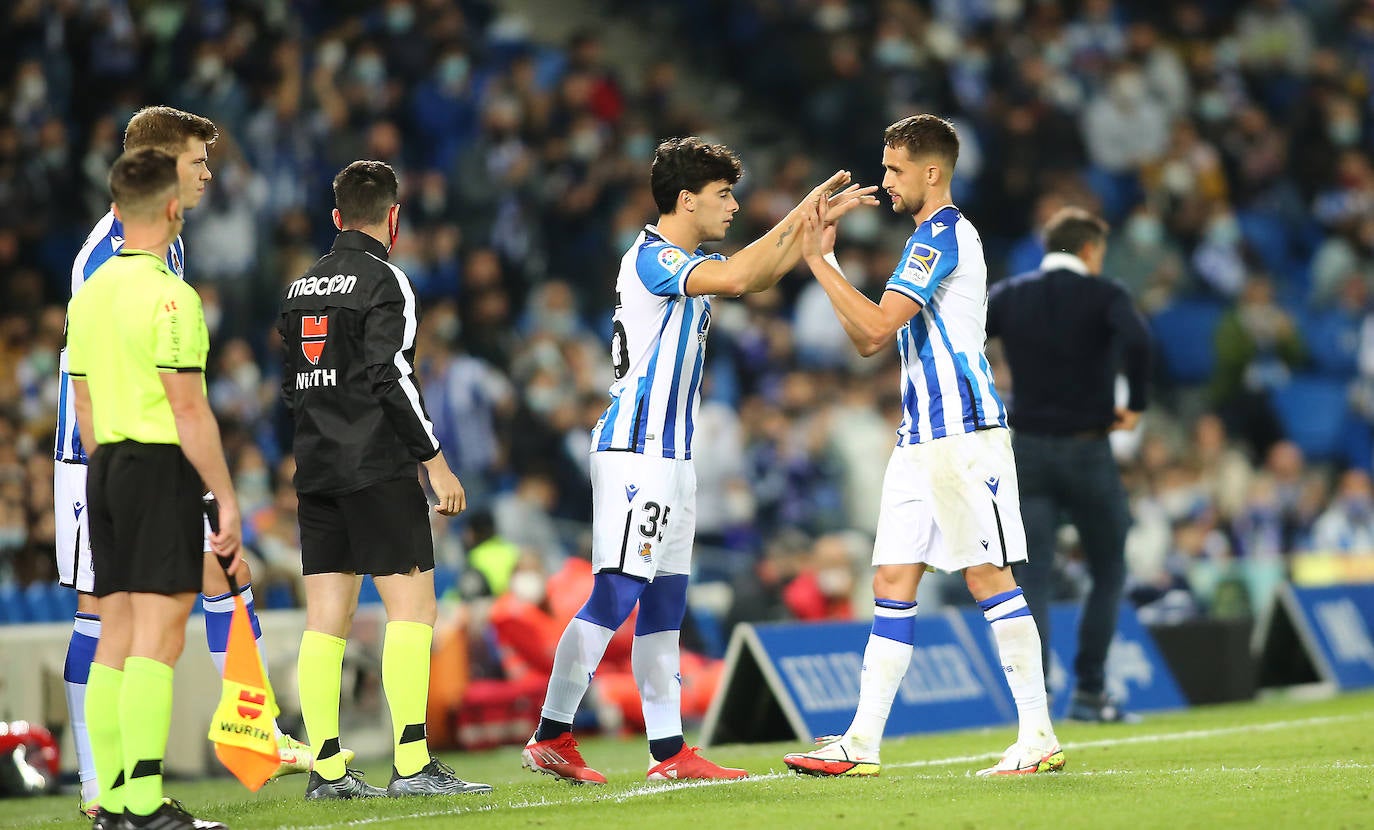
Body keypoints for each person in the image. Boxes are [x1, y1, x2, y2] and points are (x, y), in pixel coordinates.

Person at [521, 137, 875, 784]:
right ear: (686, 199)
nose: (734, 206)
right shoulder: (654, 258)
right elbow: (743, 275)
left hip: (671, 457)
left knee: (665, 605)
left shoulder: (691, 259)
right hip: (637, 452)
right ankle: (551, 732)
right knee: (619, 590)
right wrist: (801, 210)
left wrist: (813, 228)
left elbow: (758, 274)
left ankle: (668, 754)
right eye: (723, 195)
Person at [781, 114, 1064, 778]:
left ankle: (1039, 733)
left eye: (895, 170)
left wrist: (818, 262)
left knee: (987, 576)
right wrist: (821, 263)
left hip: (963, 433)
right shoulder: (921, 242)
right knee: (891, 580)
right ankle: (863, 742)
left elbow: (875, 329)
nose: (886, 182)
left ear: (931, 171)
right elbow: (866, 338)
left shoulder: (942, 235)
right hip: (919, 438)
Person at [54, 106, 315, 819]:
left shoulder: (144, 250)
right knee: (127, 621)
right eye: (199, 162)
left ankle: (240, 731)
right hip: (118, 446)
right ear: (167, 171)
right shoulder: (115, 258)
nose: (208, 174)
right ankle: (110, 789)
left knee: (182, 591)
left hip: (109, 450)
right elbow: (169, 395)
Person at [279, 160, 491, 800]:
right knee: (414, 609)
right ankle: (413, 763)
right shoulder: (385, 279)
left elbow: (293, 386)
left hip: (315, 467)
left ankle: (327, 772)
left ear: (336, 217)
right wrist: (434, 462)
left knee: (326, 621)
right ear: (393, 218)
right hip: (374, 465)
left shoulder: (300, 288)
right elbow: (390, 375)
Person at [67, 148, 239, 830]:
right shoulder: (172, 296)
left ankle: (111, 802)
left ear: (116, 208)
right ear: (172, 207)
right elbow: (189, 409)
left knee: (115, 633)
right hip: (157, 464)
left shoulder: (90, 294)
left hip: (104, 465)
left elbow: (81, 404)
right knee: (160, 639)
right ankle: (143, 805)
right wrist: (222, 495)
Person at [986, 207, 1151, 722]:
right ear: (1090, 250)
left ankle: (1036, 702)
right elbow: (1140, 341)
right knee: (1108, 570)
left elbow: (968, 340)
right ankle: (1090, 691)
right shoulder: (1106, 295)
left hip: (1028, 449)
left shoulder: (1011, 295)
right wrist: (1137, 404)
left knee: (1030, 578)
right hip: (1087, 450)